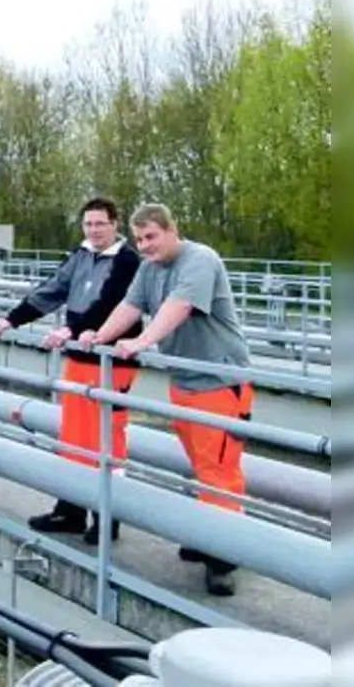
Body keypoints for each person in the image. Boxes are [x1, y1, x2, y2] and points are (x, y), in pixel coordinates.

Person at [81, 202, 253, 597]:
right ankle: (209, 535)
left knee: (219, 471)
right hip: (185, 381)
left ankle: (225, 556)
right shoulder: (150, 268)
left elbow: (179, 306)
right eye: (139, 239)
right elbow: (130, 305)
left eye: (152, 237)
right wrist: (99, 335)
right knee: (200, 465)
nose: (144, 246)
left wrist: (143, 341)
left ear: (172, 230)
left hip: (219, 381)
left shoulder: (199, 260)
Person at [0, 197, 142, 544]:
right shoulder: (81, 254)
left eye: (100, 224)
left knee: (106, 440)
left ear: (115, 224)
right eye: (88, 224)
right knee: (74, 436)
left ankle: (107, 518)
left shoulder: (128, 261)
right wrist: (11, 319)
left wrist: (70, 331)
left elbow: (111, 304)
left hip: (111, 360)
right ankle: (71, 510)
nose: (94, 230)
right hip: (79, 358)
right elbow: (53, 289)